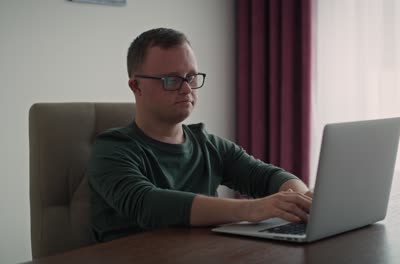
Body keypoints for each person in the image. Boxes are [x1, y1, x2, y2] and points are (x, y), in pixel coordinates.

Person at [87, 28, 312, 242]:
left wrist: (303, 201)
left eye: (191, 77)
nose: (187, 89)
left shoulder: (207, 143)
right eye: (172, 80)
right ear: (136, 86)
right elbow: (147, 204)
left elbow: (267, 176)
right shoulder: (111, 148)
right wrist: (252, 209)